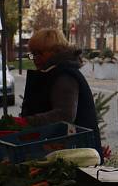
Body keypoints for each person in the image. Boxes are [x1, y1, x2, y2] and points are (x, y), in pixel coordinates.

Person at [20, 28, 103, 157]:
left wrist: (28, 122)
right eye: (32, 54)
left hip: (76, 153)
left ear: (55, 51)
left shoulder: (64, 76)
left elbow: (64, 115)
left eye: (39, 53)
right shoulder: (54, 72)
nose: (35, 58)